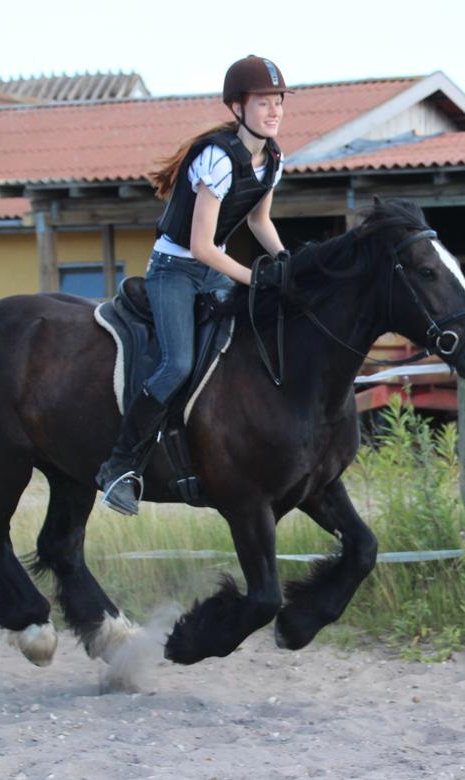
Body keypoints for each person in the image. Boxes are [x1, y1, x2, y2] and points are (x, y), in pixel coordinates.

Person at [96, 54, 292, 515]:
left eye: (279, 102)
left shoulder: (273, 160)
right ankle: (120, 467)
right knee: (178, 364)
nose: (275, 110)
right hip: (174, 269)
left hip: (210, 271)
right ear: (238, 108)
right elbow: (202, 247)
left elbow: (259, 219)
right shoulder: (216, 159)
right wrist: (256, 278)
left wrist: (285, 263)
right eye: (264, 102)